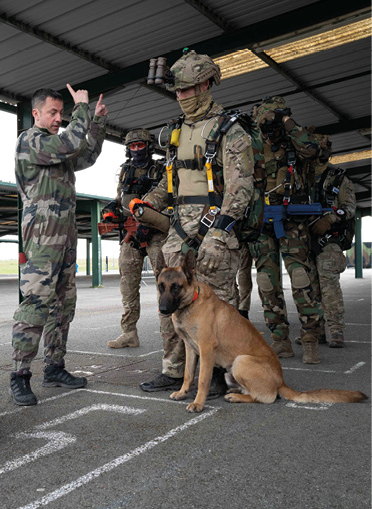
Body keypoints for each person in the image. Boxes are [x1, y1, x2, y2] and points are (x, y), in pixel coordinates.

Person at [134, 50, 255, 394]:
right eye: (178, 92)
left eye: (187, 90)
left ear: (205, 85)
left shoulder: (230, 131)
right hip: (178, 231)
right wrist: (147, 203)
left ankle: (219, 374)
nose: (181, 97)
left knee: (218, 306)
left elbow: (240, 186)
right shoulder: (175, 131)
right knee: (170, 304)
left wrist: (219, 234)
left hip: (216, 226)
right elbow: (167, 183)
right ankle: (174, 371)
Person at [9, 85, 108, 406]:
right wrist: (82, 108)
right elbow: (69, 141)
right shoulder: (31, 141)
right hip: (41, 240)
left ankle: (55, 367)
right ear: (36, 113)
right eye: (52, 112)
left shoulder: (58, 151)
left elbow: (86, 154)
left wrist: (97, 124)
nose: (57, 118)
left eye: (60, 113)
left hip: (65, 239)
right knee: (36, 305)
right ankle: (20, 373)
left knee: (63, 305)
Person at [247, 96, 324, 364]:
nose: (269, 130)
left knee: (301, 278)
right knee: (267, 283)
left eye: (273, 122)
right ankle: (280, 340)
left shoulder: (294, 141)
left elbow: (313, 149)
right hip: (262, 222)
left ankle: (311, 339)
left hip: (291, 222)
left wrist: (287, 122)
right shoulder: (253, 145)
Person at [104, 129, 166, 349]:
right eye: (133, 146)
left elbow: (168, 198)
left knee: (165, 285)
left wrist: (148, 221)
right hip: (131, 232)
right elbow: (120, 196)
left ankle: (171, 337)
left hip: (155, 232)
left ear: (148, 146)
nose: (137, 150)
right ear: (128, 149)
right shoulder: (125, 170)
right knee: (127, 284)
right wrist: (113, 206)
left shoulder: (161, 168)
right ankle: (129, 333)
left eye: (140, 145)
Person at [308, 135, 356, 348]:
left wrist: (330, 219)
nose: (321, 150)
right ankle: (315, 331)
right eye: (317, 146)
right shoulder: (302, 175)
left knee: (329, 287)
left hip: (330, 240)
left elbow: (350, 208)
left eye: (325, 146)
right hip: (305, 239)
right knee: (309, 288)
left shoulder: (339, 178)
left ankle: (336, 331)